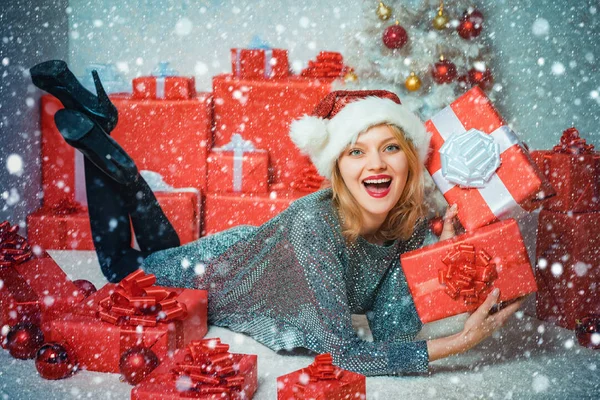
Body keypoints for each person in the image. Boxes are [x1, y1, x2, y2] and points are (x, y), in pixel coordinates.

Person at [30, 60, 523, 376]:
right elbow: (347, 355)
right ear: (337, 171)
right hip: (219, 272)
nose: (376, 164)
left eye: (390, 147)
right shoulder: (317, 224)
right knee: (126, 271)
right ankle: (102, 149)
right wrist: (461, 342)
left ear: (410, 161)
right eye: (356, 152)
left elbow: (393, 331)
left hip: (244, 251)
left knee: (161, 246)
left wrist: (436, 258)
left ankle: (103, 137)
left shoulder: (410, 225)